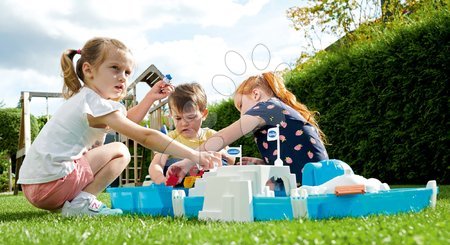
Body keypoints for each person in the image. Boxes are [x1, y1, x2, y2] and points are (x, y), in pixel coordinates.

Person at [17, 37, 220, 217]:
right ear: (88, 70)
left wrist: (149, 97)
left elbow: (127, 122)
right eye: (115, 68)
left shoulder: (86, 100)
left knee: (103, 149)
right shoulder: (94, 102)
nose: (123, 76)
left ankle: (76, 202)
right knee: (121, 151)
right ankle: (83, 202)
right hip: (53, 184)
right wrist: (195, 155)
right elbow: (145, 136)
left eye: (127, 72)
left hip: (35, 186)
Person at [167, 72, 329, 187]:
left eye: (241, 106)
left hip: (309, 182)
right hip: (314, 178)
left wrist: (188, 161)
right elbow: (290, 155)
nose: (242, 114)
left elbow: (223, 137)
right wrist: (264, 164)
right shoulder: (278, 112)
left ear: (256, 94)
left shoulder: (267, 108)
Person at [148, 82, 234, 186]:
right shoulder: (170, 138)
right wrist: (161, 180)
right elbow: (157, 163)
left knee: (219, 161)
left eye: (191, 117)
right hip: (178, 185)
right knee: (172, 163)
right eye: (178, 118)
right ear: (171, 115)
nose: (184, 123)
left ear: (203, 114)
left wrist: (220, 154)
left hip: (208, 184)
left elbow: (231, 159)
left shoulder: (211, 136)